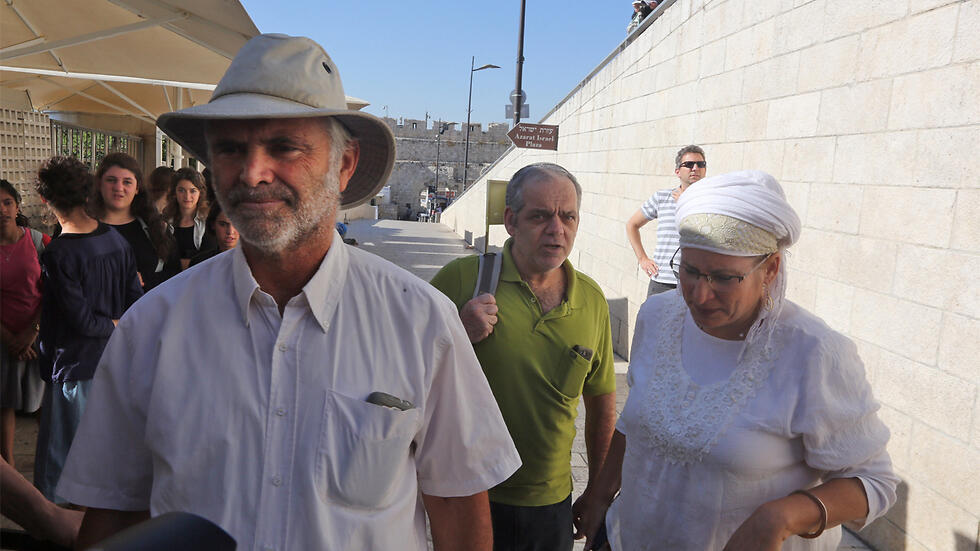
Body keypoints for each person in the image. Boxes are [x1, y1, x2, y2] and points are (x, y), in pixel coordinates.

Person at [58, 34, 520, 551]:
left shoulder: (422, 323)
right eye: (232, 149)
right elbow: (114, 516)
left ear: (343, 166)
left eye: (284, 146)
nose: (253, 172)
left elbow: (459, 512)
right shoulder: (152, 329)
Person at [577, 171, 898, 551]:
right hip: (625, 537)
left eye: (724, 278)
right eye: (690, 271)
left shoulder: (813, 354)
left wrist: (779, 518)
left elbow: (875, 482)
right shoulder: (658, 315)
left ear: (770, 269)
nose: (699, 294)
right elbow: (636, 422)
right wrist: (599, 494)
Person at [431, 163, 617, 551]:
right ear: (511, 221)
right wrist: (454, 335)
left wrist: (597, 492)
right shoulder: (462, 280)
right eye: (541, 216)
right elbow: (397, 376)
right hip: (468, 494)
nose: (557, 229)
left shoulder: (592, 300)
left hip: (549, 506)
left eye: (568, 216)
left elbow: (601, 405)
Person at [33, 156, 143, 503]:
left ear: (45, 201)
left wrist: (110, 323)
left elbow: (80, 321)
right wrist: (120, 324)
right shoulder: (115, 240)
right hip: (113, 365)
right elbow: (136, 300)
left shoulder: (60, 253)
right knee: (104, 457)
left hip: (73, 367)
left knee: (59, 463)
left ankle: (57, 534)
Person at [0, 179, 49, 467]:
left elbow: (52, 292)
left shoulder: (40, 243)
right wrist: (10, 339)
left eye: (7, 202)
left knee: (44, 403)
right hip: (3, 340)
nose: (2, 209)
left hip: (37, 337)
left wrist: (32, 332)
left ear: (17, 206)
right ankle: (8, 469)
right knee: (3, 403)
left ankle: (46, 465)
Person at [625, 144, 706, 296]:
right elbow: (632, 225)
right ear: (677, 171)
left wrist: (687, 204)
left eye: (700, 164)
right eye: (689, 164)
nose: (695, 168)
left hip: (697, 285)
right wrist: (643, 259)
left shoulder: (711, 203)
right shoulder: (662, 198)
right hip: (662, 283)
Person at [91, 153, 179, 291]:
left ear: (137, 188)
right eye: (111, 180)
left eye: (127, 182)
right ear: (99, 184)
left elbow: (175, 275)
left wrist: (144, 279)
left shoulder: (155, 228)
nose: (119, 188)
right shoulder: (78, 225)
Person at [163, 167, 215, 270]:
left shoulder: (209, 221)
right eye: (181, 190)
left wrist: (179, 263)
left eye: (193, 191)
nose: (187, 196)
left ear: (200, 193)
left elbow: (209, 259)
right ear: (174, 192)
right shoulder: (165, 220)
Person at [188, 201, 239, 267]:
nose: (230, 231)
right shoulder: (199, 263)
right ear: (213, 225)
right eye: (223, 224)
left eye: (235, 224)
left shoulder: (254, 263)